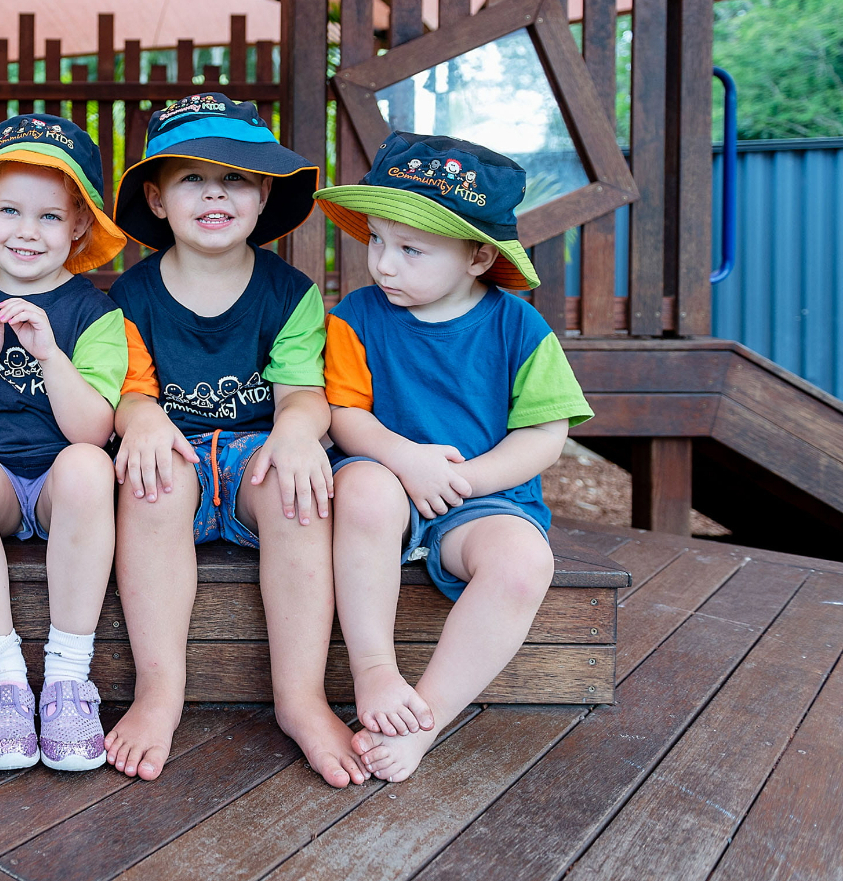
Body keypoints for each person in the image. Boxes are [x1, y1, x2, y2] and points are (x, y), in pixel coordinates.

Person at [315, 132, 592, 783]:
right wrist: (403, 459)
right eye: (377, 241)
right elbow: (344, 413)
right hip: (384, 484)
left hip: (479, 499)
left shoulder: (519, 328)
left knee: (523, 565)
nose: (384, 265)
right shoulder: (356, 317)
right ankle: (376, 672)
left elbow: (544, 435)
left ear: (475, 257)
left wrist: (465, 479)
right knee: (361, 491)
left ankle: (425, 720)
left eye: (411, 250)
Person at [104, 94, 363, 786]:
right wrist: (143, 417)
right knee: (150, 483)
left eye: (238, 177)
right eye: (192, 177)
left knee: (296, 489)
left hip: (254, 454)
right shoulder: (127, 298)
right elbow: (126, 389)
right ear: (157, 201)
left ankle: (301, 698)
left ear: (262, 197)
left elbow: (303, 391)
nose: (215, 191)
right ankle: (159, 692)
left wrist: (301, 431)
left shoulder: (291, 293)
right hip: (176, 456)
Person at [0, 114, 132, 771]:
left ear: (78, 227)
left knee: (89, 465)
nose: (26, 231)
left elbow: (92, 430)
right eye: (10, 209)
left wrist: (49, 355)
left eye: (48, 216)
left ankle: (68, 679)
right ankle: (4, 681)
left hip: (64, 493)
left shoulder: (96, 313)